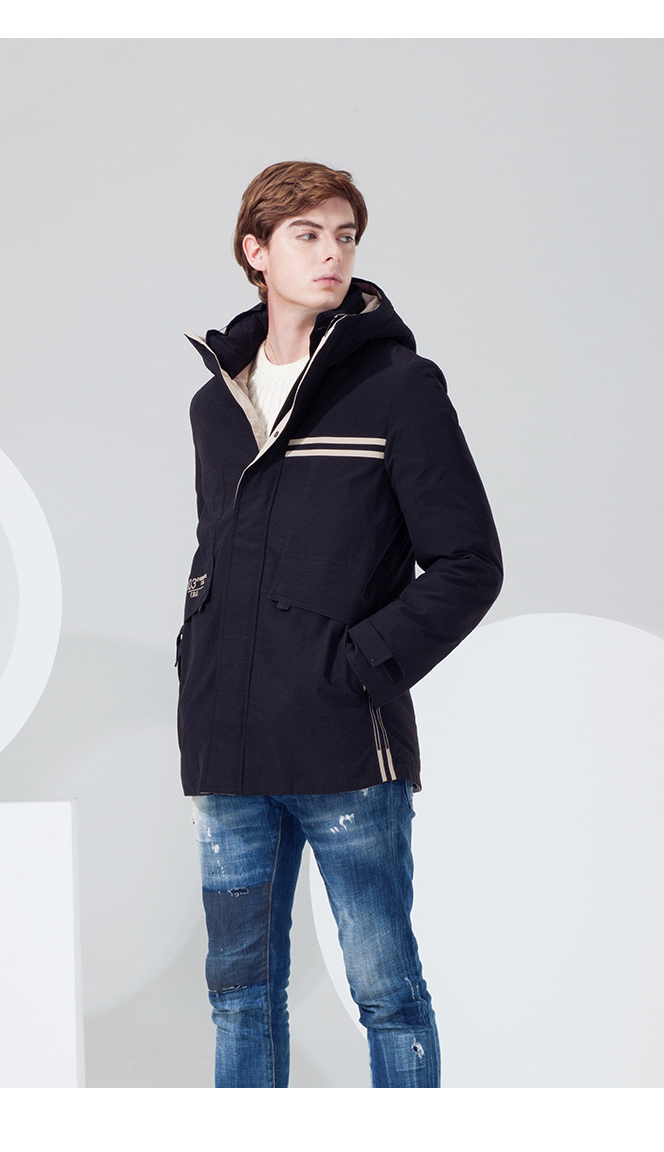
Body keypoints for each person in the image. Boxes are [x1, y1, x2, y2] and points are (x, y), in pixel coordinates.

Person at [176, 160, 503, 1088]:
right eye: (308, 235)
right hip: (228, 748)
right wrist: (197, 661)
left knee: (385, 991)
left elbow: (470, 563)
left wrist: (357, 665)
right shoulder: (215, 404)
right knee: (238, 995)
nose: (332, 254)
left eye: (345, 236)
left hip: (344, 746)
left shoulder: (399, 387)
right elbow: (216, 554)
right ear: (256, 252)